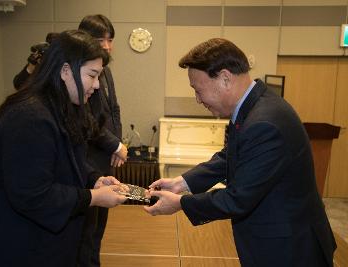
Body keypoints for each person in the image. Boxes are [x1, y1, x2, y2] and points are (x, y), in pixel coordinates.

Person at [144, 38, 337, 267]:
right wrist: (182, 183)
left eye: (198, 90)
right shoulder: (255, 107)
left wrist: (181, 203)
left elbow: (238, 198)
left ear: (225, 78)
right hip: (278, 242)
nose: (197, 99)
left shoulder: (264, 122)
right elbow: (230, 155)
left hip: (290, 251)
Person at [0, 30, 127, 267]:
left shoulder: (62, 106)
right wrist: (94, 197)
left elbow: (66, 158)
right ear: (65, 71)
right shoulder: (29, 116)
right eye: (92, 76)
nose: (96, 86)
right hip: (11, 245)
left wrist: (94, 179)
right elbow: (32, 193)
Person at [77, 14, 126, 267]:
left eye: (110, 40)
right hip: (87, 159)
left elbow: (113, 110)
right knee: (86, 227)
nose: (106, 45)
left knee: (99, 227)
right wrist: (116, 145)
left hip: (105, 159)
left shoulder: (105, 71)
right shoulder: (80, 75)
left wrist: (117, 144)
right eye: (99, 39)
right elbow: (88, 119)